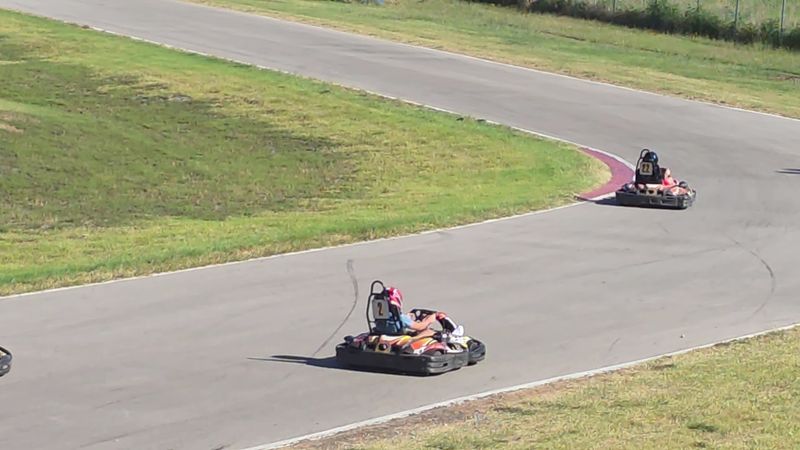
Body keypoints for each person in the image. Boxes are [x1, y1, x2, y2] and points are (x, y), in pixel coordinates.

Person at [381, 286, 463, 338]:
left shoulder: (381, 316)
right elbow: (420, 327)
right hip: (400, 337)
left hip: (386, 334)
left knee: (416, 332)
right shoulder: (401, 317)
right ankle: (454, 335)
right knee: (431, 331)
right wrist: (429, 320)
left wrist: (409, 318)